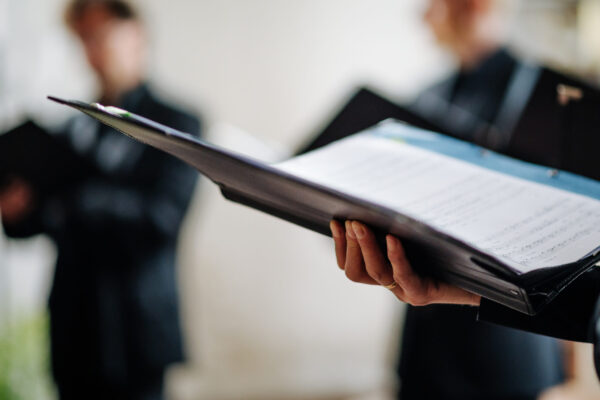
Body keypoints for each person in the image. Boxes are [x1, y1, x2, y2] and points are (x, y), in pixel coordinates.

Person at [0, 1, 201, 399]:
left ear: (136, 34)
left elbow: (162, 218)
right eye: (83, 39)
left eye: (101, 34)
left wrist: (69, 202)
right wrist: (16, 207)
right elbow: (28, 225)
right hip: (75, 329)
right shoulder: (73, 126)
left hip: (138, 330)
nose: (92, 50)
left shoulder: (177, 123)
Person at [396, 1, 566, 399]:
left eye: (432, 3)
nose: (422, 17)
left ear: (475, 6)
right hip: (427, 333)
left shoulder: (544, 92)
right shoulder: (428, 94)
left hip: (503, 342)